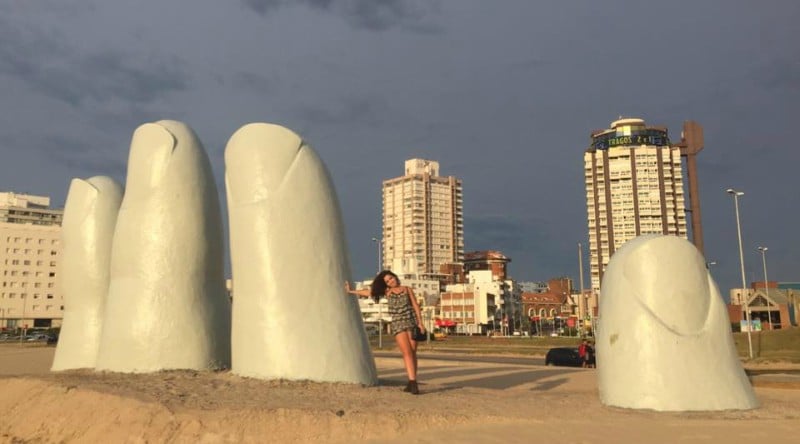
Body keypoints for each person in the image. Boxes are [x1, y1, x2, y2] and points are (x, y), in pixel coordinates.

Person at [345, 271, 426, 394]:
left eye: (391, 278)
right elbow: (368, 293)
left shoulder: (407, 289)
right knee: (407, 353)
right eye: (387, 281)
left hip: (412, 322)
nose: (390, 281)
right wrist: (351, 291)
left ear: (395, 277)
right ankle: (413, 383)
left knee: (413, 353)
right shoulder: (387, 292)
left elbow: (415, 306)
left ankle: (411, 382)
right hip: (398, 324)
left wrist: (420, 323)